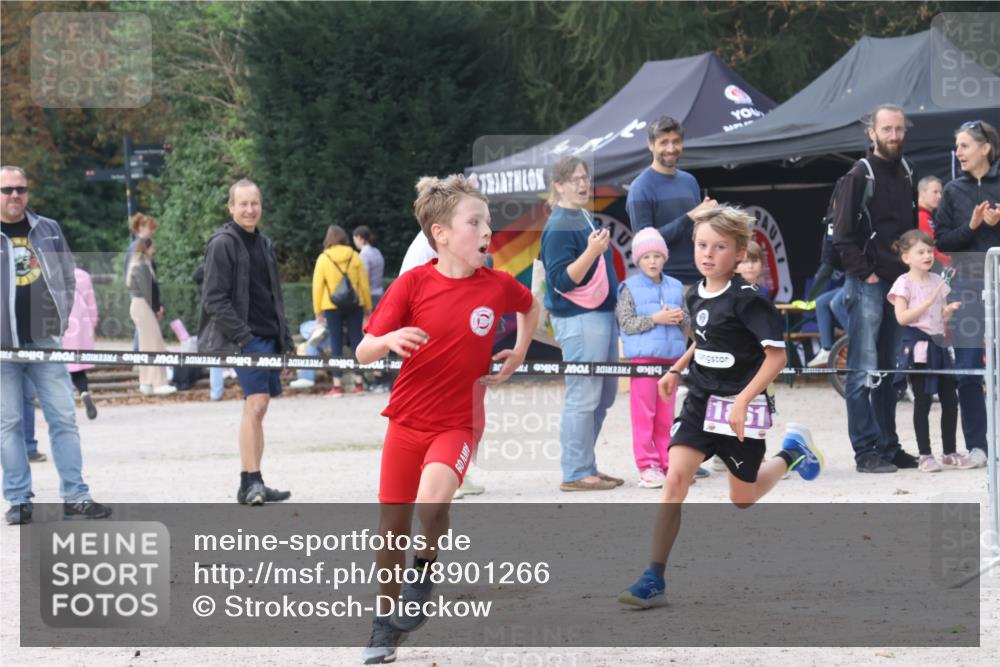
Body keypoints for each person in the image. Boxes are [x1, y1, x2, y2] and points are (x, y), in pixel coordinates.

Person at [355, 174, 538, 663]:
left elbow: (531, 305)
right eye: (474, 222)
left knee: (433, 504)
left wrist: (518, 351)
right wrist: (388, 340)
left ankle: (424, 572)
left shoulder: (498, 285)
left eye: (488, 222)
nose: (487, 231)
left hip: (457, 423)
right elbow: (362, 350)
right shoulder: (412, 283)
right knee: (391, 529)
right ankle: (383, 626)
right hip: (405, 422)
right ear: (440, 234)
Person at [617, 205, 824, 609]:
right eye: (701, 245)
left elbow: (777, 358)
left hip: (740, 411)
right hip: (699, 403)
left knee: (741, 499)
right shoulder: (693, 293)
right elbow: (706, 338)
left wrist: (743, 400)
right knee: (675, 478)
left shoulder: (751, 301)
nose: (707, 253)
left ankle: (792, 452)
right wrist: (676, 368)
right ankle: (653, 577)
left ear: (741, 252)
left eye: (719, 246)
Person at [1, 165, 111, 525]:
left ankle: (76, 496)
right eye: (7, 190)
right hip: (2, 347)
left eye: (21, 189)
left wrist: (61, 318)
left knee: (64, 418)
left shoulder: (48, 229)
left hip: (45, 341)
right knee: (10, 424)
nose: (15, 196)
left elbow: (66, 276)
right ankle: (19, 500)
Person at [832, 103, 920, 474]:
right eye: (887, 129)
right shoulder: (859, 174)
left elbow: (911, 230)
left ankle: (888, 445)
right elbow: (841, 234)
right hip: (867, 284)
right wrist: (865, 273)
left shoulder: (906, 171)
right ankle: (865, 450)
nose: (894, 136)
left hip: (897, 284)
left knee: (889, 370)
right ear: (872, 133)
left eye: (899, 129)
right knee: (862, 370)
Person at [198, 179, 294, 505]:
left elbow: (273, 296)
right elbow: (214, 299)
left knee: (258, 408)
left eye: (255, 203)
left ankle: (251, 480)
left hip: (269, 336)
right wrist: (243, 336)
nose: (250, 209)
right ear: (231, 207)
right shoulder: (222, 243)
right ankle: (251, 482)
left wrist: (286, 338)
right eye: (243, 204)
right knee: (257, 403)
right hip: (246, 339)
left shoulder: (264, 244)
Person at [541, 156, 625, 492]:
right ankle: (575, 472)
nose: (582, 184)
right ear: (558, 185)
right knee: (583, 395)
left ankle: (586, 465)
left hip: (600, 315)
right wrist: (591, 252)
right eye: (575, 178)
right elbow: (561, 281)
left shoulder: (582, 216)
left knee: (603, 394)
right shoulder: (559, 224)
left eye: (585, 178)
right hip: (579, 319)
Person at [933, 119, 1000, 469]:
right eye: (956, 146)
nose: (958, 152)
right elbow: (941, 241)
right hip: (968, 288)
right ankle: (978, 447)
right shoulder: (952, 190)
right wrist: (973, 226)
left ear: (985, 148)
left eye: (964, 145)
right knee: (970, 369)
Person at [886, 230, 969, 472]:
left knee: (950, 401)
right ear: (906, 258)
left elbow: (940, 314)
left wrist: (948, 309)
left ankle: (950, 451)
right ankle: (925, 454)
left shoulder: (937, 280)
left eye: (930, 251)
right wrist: (927, 303)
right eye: (920, 252)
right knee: (922, 402)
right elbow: (901, 318)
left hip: (939, 346)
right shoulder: (903, 283)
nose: (927, 256)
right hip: (918, 351)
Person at [615, 228, 687, 488]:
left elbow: (686, 323)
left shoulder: (676, 287)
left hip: (671, 362)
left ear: (665, 257)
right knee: (644, 415)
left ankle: (669, 463)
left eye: (657, 255)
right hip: (643, 362)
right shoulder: (629, 288)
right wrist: (656, 318)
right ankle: (647, 465)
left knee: (667, 416)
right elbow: (626, 323)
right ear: (638, 260)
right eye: (647, 256)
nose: (653, 261)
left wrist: (679, 317)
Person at [312, 224, 372, 397]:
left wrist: (318, 310)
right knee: (357, 341)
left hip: (331, 306)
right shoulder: (354, 256)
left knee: (336, 343)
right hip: (355, 305)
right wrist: (367, 306)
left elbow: (317, 287)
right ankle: (359, 383)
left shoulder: (324, 258)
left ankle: (337, 386)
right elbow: (364, 284)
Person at [126, 237, 177, 396]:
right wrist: (156, 309)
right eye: (152, 247)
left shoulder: (141, 265)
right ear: (146, 248)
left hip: (141, 305)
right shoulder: (141, 266)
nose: (154, 249)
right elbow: (148, 291)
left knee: (146, 345)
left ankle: (146, 382)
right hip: (143, 305)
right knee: (155, 344)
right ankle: (158, 383)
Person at [63, 264, 100, 417]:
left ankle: (65, 405)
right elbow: (91, 304)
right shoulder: (84, 276)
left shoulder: (51, 274)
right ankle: (84, 392)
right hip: (81, 321)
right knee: (77, 366)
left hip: (60, 322)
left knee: (60, 366)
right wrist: (92, 323)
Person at [124, 213, 160, 351]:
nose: (152, 232)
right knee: (144, 329)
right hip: (141, 295)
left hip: (142, 293)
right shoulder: (137, 248)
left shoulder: (140, 246)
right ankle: (137, 357)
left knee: (142, 329)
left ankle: (137, 357)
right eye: (150, 228)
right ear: (141, 227)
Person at [916, 175, 950, 267]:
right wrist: (948, 261)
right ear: (922, 193)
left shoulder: (926, 215)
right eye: (935, 192)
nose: (939, 196)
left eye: (940, 192)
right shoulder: (921, 216)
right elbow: (929, 247)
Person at [353, 226, 385, 309]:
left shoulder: (364, 255)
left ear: (359, 238)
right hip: (380, 293)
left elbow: (365, 277)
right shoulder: (377, 251)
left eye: (355, 239)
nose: (355, 242)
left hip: (370, 295)